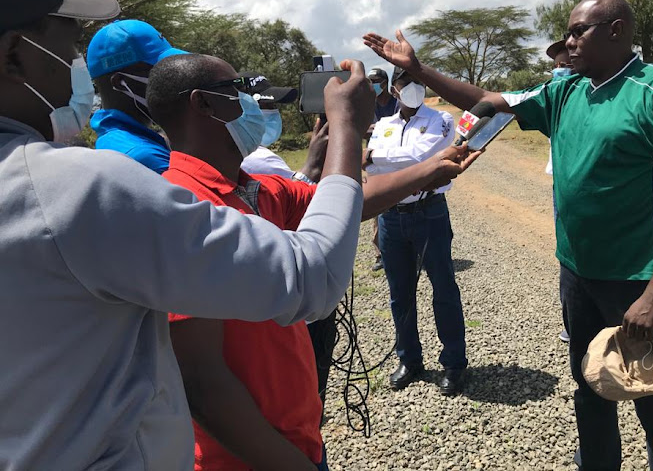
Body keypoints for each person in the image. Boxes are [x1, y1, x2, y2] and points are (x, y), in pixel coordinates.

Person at [0, 0, 372, 470]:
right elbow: (309, 277)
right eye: (66, 47)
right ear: (14, 54)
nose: (72, 69)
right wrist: (347, 129)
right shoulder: (81, 187)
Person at [364, 0, 653, 470]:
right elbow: (490, 102)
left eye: (578, 31)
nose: (567, 42)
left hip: (637, 280)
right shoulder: (565, 91)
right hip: (578, 274)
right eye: (567, 33)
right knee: (590, 386)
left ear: (616, 30)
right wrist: (421, 71)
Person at [147, 53, 480, 471]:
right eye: (241, 88)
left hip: (295, 438)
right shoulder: (181, 207)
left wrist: (432, 169)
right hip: (245, 459)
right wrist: (346, 126)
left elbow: (344, 202)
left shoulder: (259, 190)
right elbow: (201, 381)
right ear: (203, 104)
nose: (255, 100)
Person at [364, 66, 468, 396]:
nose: (414, 87)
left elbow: (424, 156)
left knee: (444, 288)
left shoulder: (441, 121)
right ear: (393, 89)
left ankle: (454, 362)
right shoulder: (382, 125)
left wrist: (374, 156)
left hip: (429, 212)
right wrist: (391, 163)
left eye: (418, 81)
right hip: (391, 217)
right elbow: (400, 166)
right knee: (400, 293)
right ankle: (409, 359)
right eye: (406, 82)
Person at [87, 19, 187, 173]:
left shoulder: (127, 139)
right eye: (164, 72)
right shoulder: (145, 158)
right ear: (120, 83)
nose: (174, 79)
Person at [545, 39, 574, 343]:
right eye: (556, 66)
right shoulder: (553, 97)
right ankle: (572, 320)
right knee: (567, 250)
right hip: (561, 183)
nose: (560, 71)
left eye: (565, 66)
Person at [368, 67, 397, 271]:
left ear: (385, 82)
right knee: (378, 207)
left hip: (396, 159)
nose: (373, 85)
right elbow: (362, 128)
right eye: (370, 81)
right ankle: (380, 254)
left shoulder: (397, 103)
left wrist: (376, 129)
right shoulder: (368, 105)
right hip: (375, 160)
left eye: (376, 81)